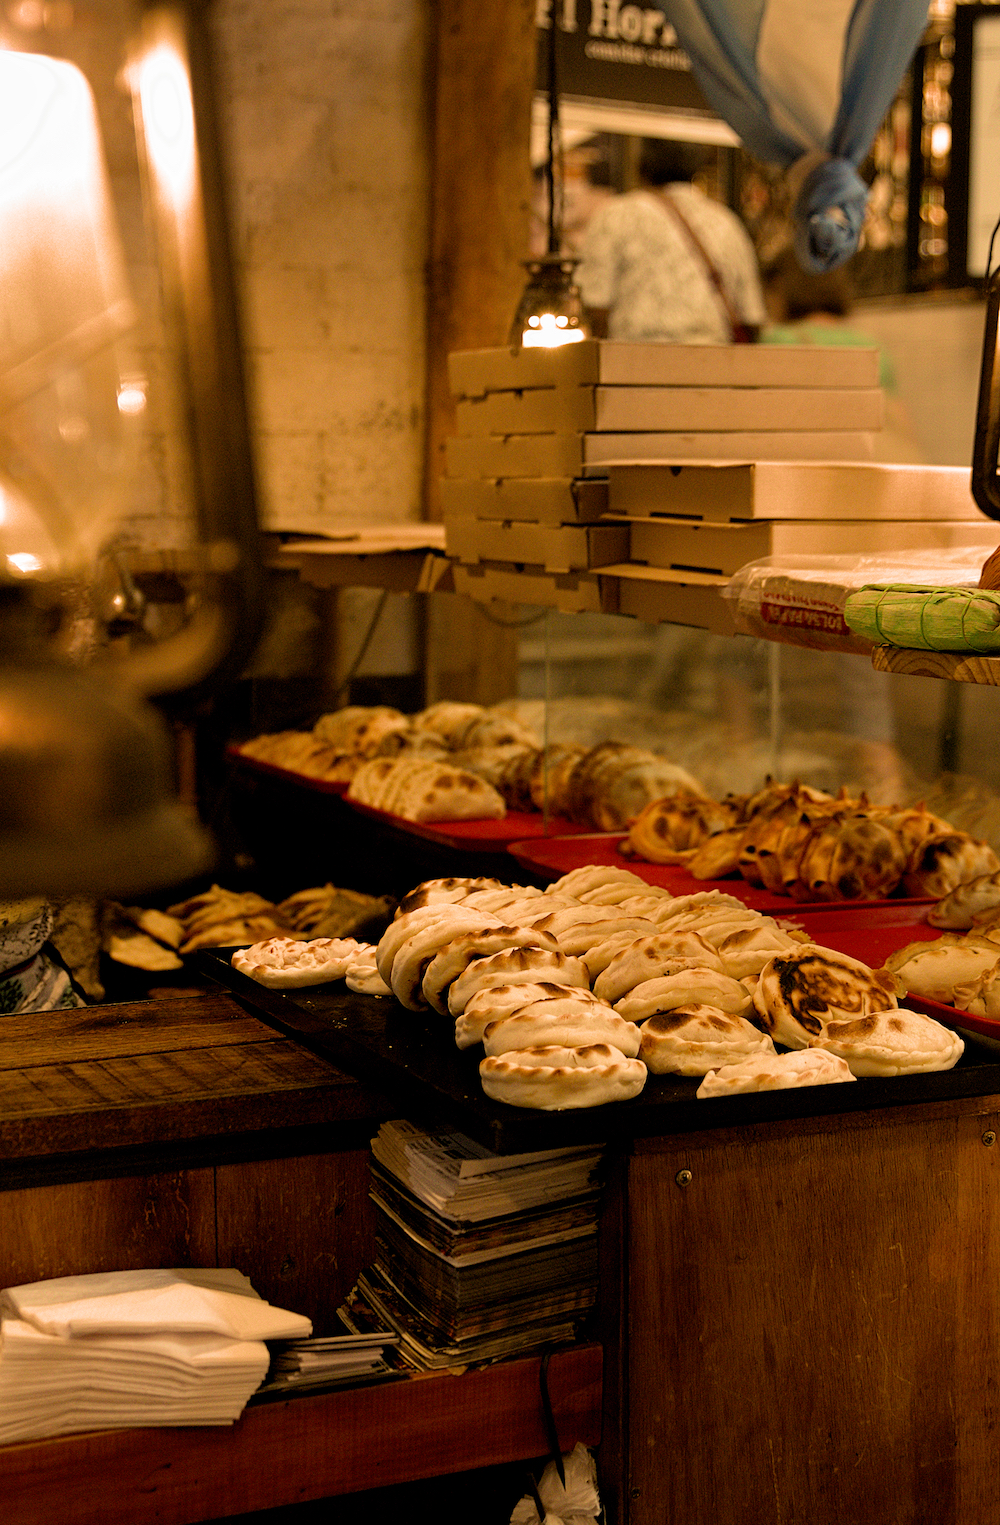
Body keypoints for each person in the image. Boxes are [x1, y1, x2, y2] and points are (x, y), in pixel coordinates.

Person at [575, 138, 767, 344]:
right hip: (711, 364)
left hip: (633, 362)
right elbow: (752, 317)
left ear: (641, 164)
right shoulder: (725, 222)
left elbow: (594, 304)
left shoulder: (616, 216)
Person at [760, 244, 925, 463]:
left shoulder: (777, 341)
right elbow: (900, 422)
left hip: (810, 473)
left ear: (780, 287)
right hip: (870, 469)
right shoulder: (870, 345)